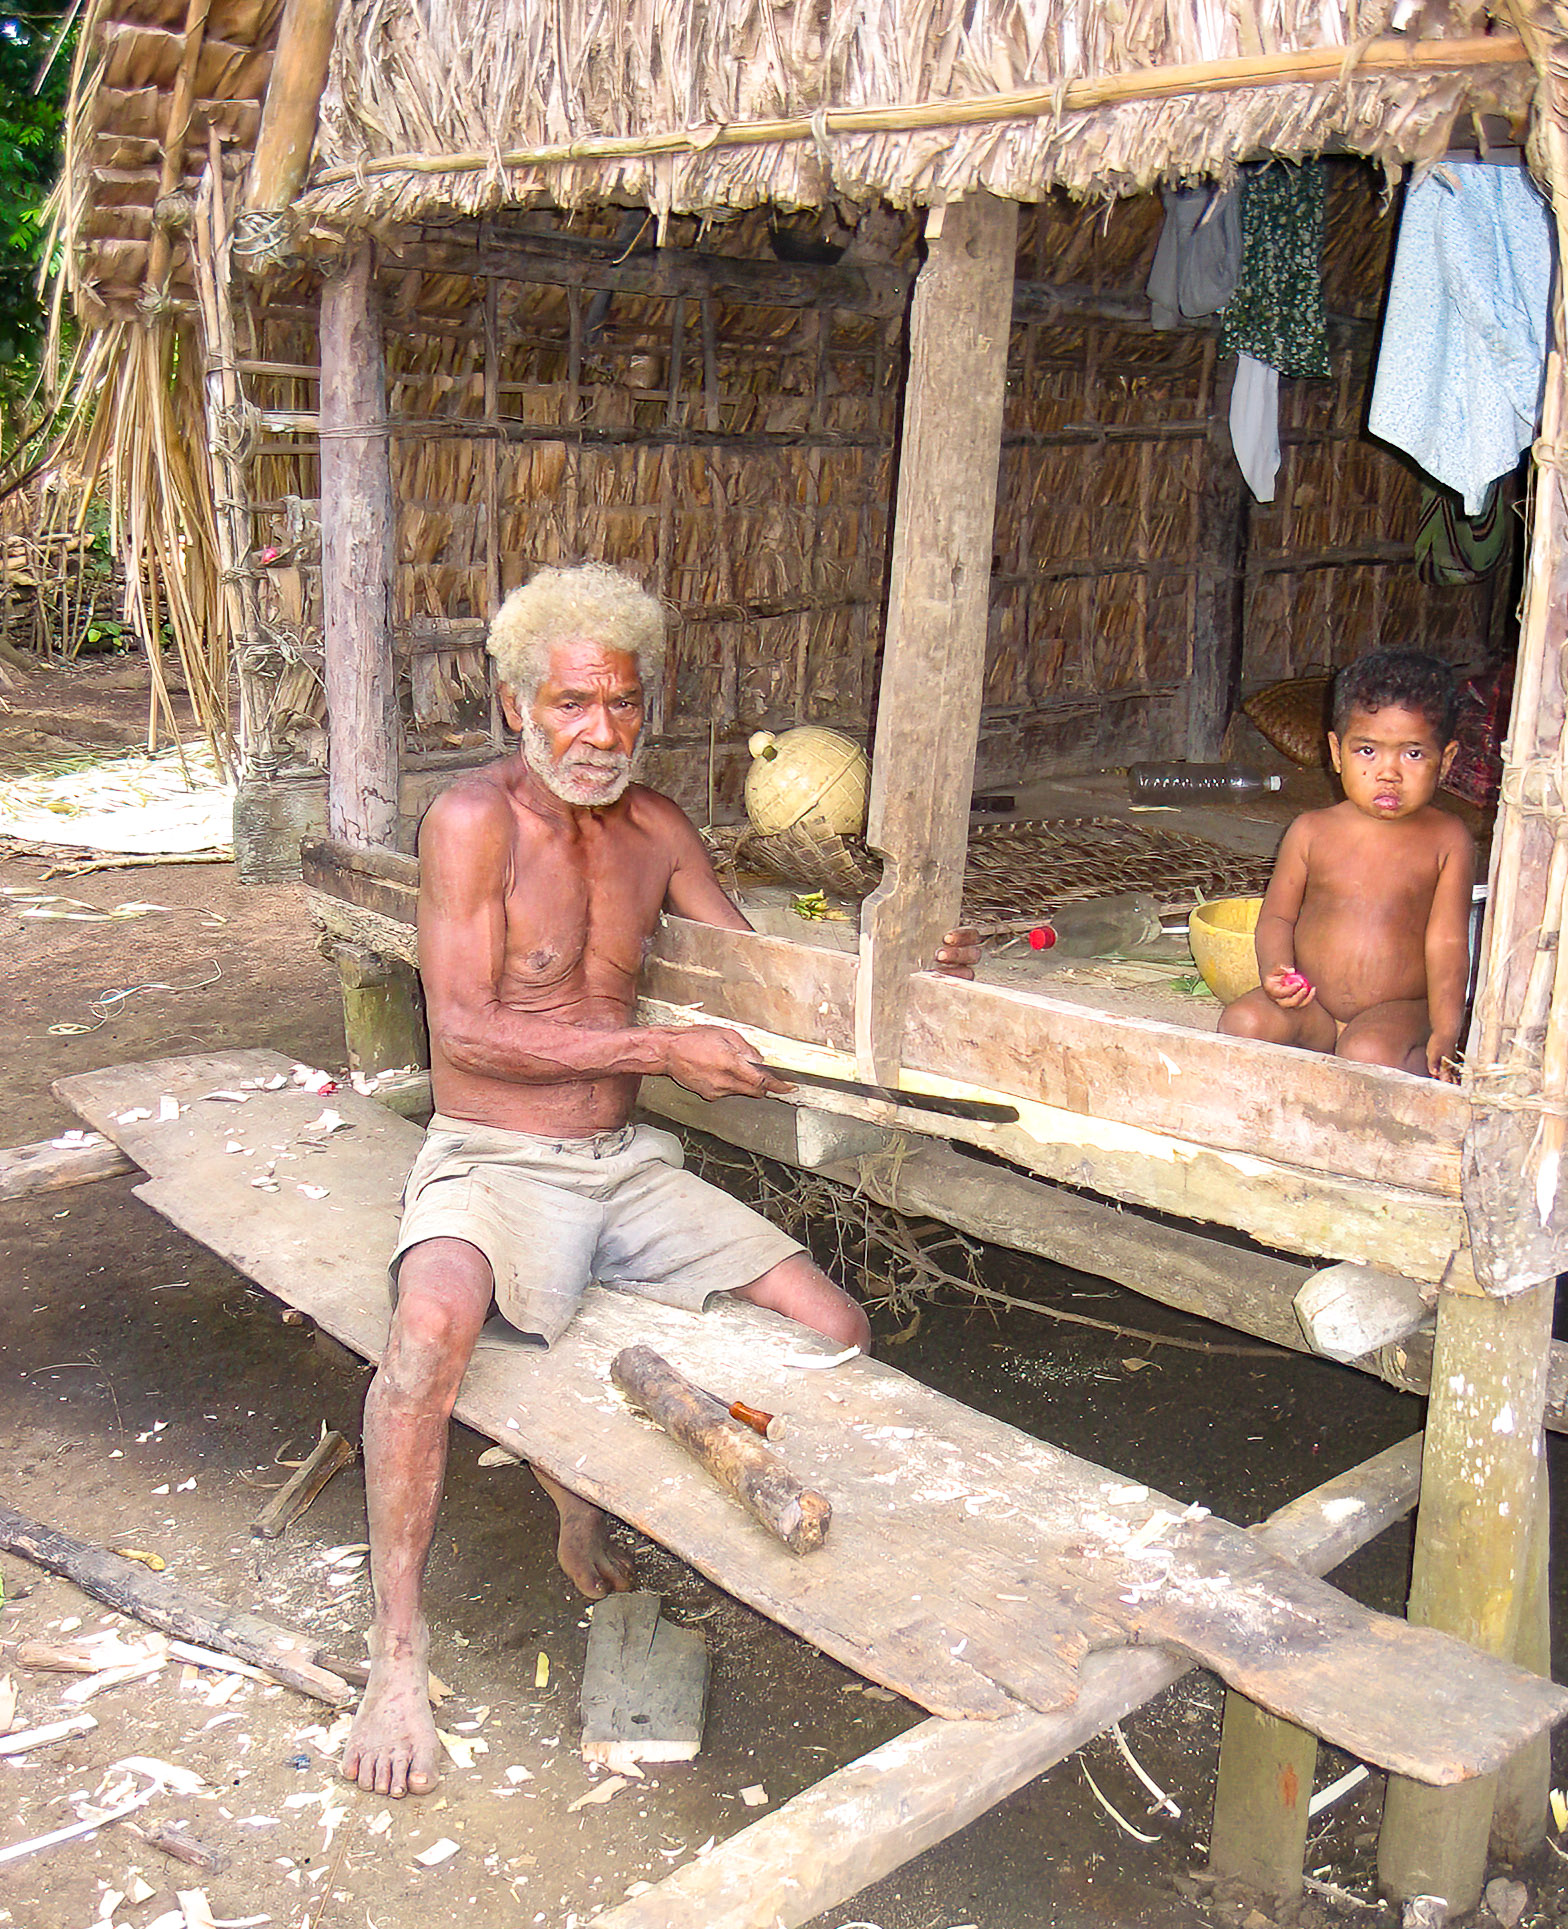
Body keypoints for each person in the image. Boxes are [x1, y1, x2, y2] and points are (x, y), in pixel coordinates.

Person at [340, 561, 980, 1799]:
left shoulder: (658, 830)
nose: (601, 733)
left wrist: (891, 963)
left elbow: (748, 979)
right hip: (492, 1157)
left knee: (831, 1328)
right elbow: (465, 1032)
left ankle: (608, 1506)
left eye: (623, 705)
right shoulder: (470, 822)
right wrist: (657, 1047)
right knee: (424, 1339)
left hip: (622, 1167)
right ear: (517, 702)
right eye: (573, 703)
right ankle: (396, 1651)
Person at [1218, 648, 1475, 1080]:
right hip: (1312, 1006)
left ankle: (1435, 1078)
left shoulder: (1448, 840)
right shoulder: (1311, 830)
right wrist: (1277, 973)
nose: (1388, 772)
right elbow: (1278, 917)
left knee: (1367, 1053)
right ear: (1337, 752)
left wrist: (1447, 1030)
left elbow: (1448, 944)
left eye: (1412, 754)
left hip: (1400, 1012)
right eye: (1367, 751)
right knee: (1242, 1024)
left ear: (1445, 761)